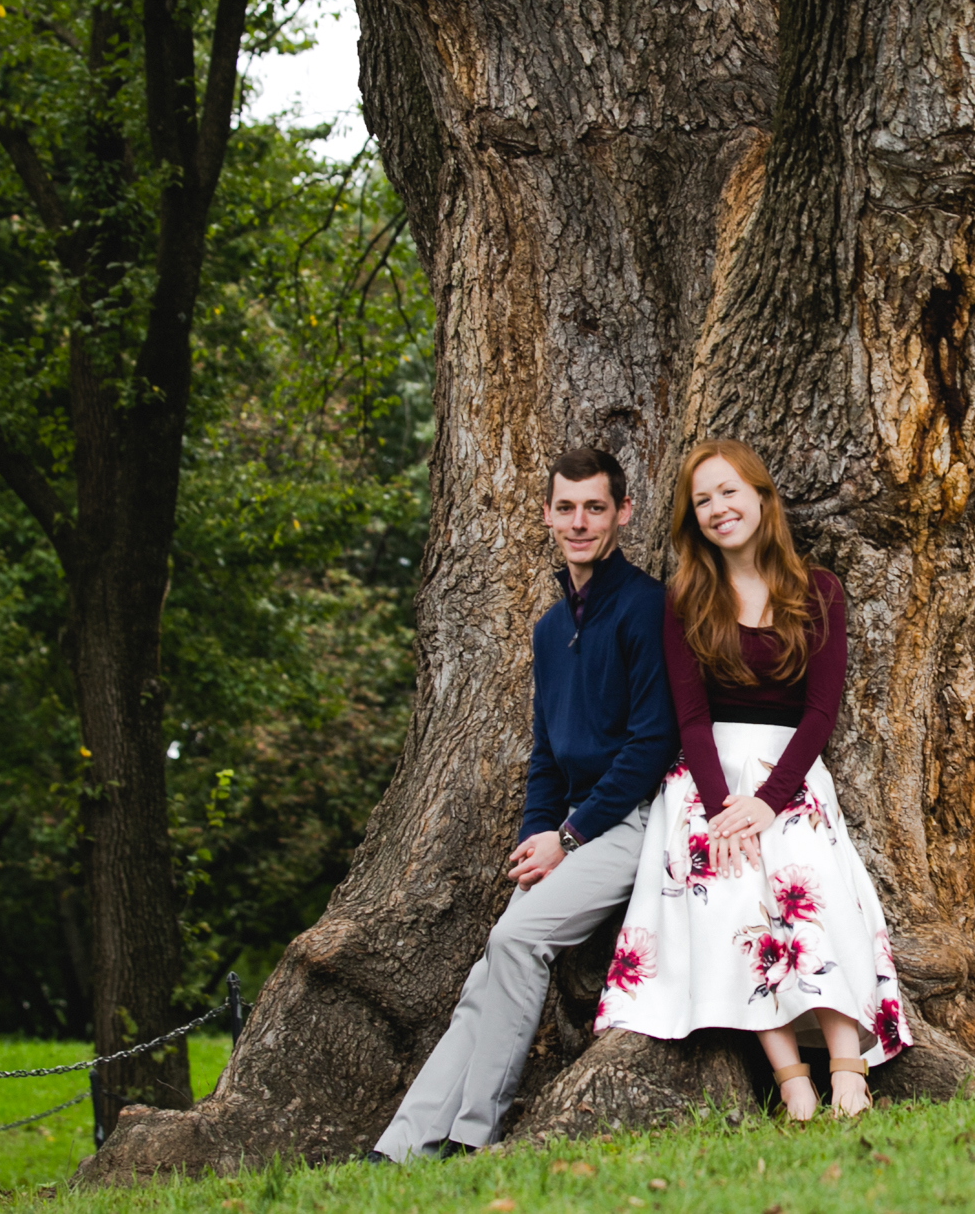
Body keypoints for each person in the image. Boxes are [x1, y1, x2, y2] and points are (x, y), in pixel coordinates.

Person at [366, 446, 676, 1162]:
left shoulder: (645, 607)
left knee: (514, 942)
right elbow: (545, 752)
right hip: (568, 832)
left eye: (595, 507)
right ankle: (405, 1142)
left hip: (629, 822)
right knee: (488, 972)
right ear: (546, 514)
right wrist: (539, 832)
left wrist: (567, 835)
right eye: (565, 507)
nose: (579, 521)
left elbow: (650, 744)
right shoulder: (547, 627)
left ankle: (474, 1133)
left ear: (622, 512)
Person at [594, 439, 910, 1120]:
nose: (717, 508)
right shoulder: (684, 598)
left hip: (788, 776)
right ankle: (791, 1077)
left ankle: (847, 1061)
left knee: (807, 887)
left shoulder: (818, 589)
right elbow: (690, 715)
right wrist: (719, 810)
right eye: (702, 500)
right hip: (705, 781)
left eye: (728, 491)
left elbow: (821, 710)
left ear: (762, 498)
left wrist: (768, 803)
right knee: (730, 897)